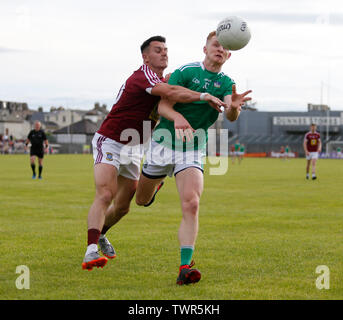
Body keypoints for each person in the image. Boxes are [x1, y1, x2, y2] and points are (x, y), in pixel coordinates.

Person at [82, 35, 226, 271]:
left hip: (135, 146)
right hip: (110, 140)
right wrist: (203, 95)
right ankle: (90, 252)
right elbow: (172, 92)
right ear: (145, 56)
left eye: (166, 50)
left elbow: (171, 93)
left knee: (124, 206)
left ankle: (101, 234)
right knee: (106, 194)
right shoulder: (144, 76)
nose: (164, 53)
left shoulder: (161, 79)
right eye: (158, 50)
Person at [135, 31, 252, 285]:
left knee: (192, 204)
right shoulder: (187, 71)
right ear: (205, 48)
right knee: (141, 200)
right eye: (215, 44)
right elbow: (162, 106)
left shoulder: (226, 83)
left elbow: (231, 113)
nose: (219, 49)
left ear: (229, 54)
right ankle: (155, 186)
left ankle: (185, 267)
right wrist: (177, 117)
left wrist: (233, 107)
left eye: (224, 48)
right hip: (163, 143)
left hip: (192, 148)